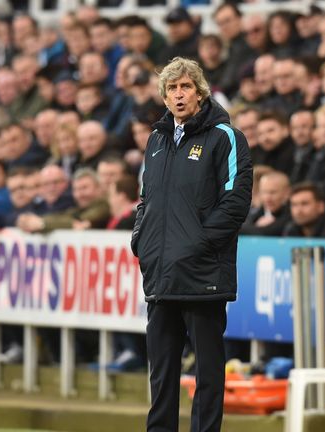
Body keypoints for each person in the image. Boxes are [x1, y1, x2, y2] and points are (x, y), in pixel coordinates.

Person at [131, 57, 253, 432]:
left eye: (185, 87)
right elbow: (145, 199)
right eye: (172, 89)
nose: (179, 94)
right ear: (164, 98)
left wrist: (196, 244)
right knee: (162, 374)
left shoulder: (226, 137)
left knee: (208, 373)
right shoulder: (156, 139)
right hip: (161, 274)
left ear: (200, 92)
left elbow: (236, 202)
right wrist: (142, 242)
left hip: (202, 272)